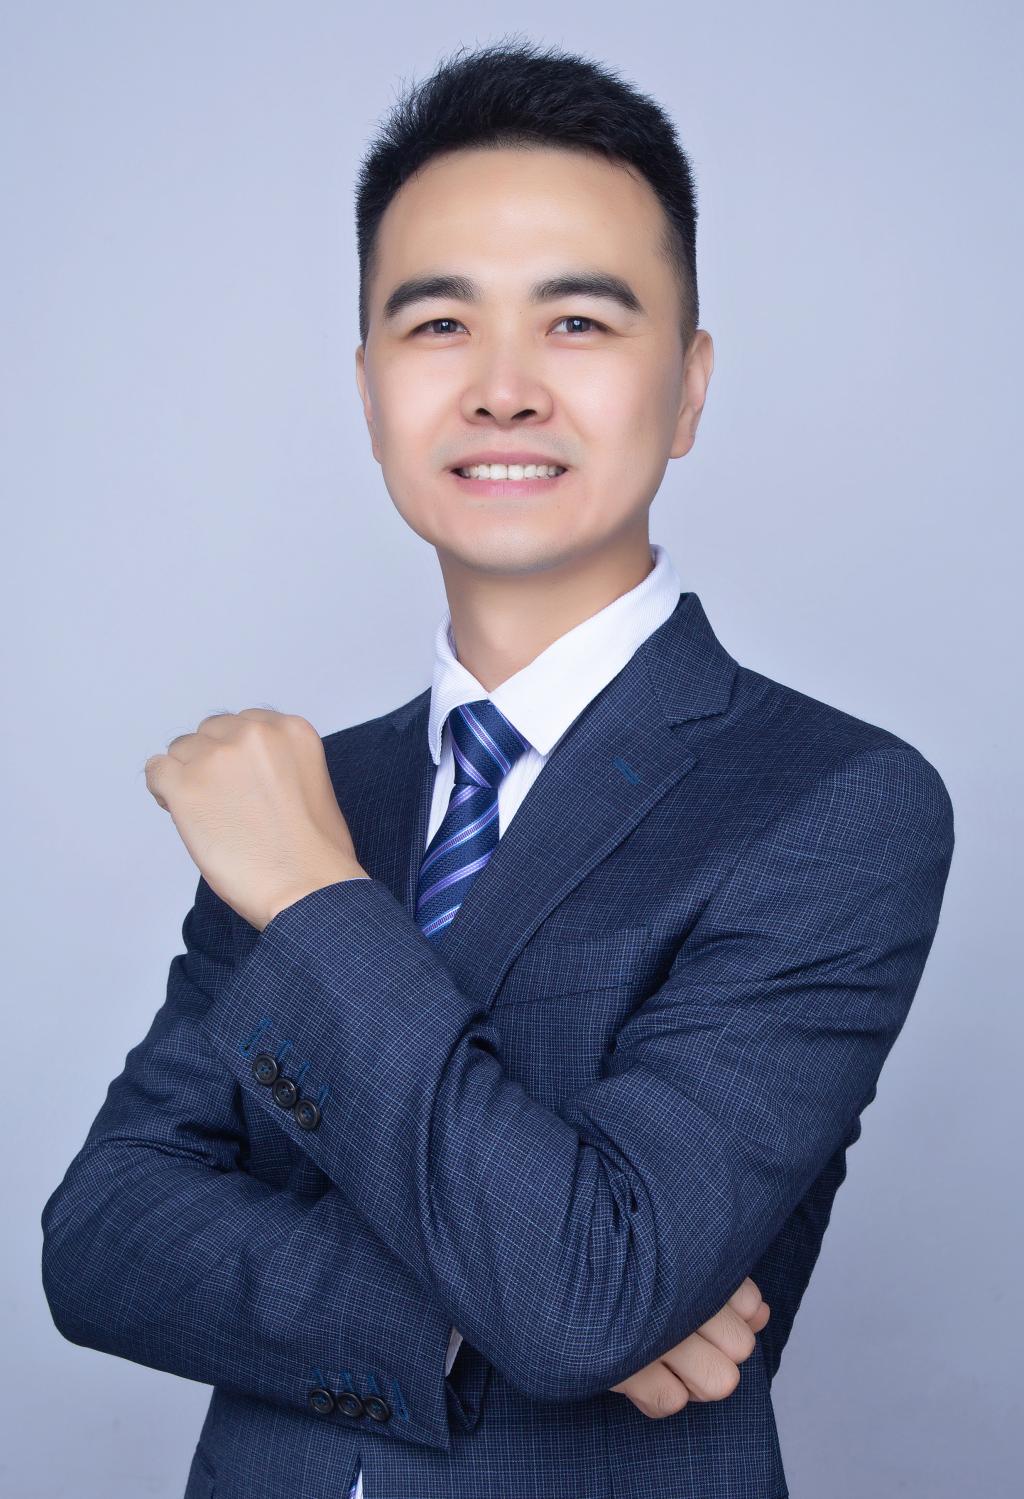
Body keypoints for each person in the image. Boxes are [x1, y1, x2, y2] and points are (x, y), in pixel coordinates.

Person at [40, 36, 955, 1499]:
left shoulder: (833, 802)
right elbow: (104, 1239)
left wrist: (312, 896)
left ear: (690, 387)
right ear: (368, 389)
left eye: (579, 321)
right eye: (440, 323)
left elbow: (585, 1292)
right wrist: (480, 1321)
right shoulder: (327, 789)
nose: (505, 388)